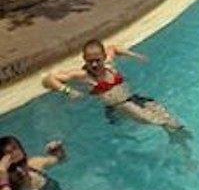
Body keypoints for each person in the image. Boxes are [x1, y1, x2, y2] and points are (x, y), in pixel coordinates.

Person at [42, 40, 188, 137]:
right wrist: (68, 91)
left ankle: (179, 142)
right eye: (89, 61)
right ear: (84, 59)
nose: (93, 65)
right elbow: (48, 79)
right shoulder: (82, 75)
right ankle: (172, 132)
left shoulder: (109, 65)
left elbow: (113, 48)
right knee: (154, 120)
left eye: (97, 60)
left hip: (133, 98)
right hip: (118, 107)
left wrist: (134, 55)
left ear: (104, 57)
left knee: (169, 119)